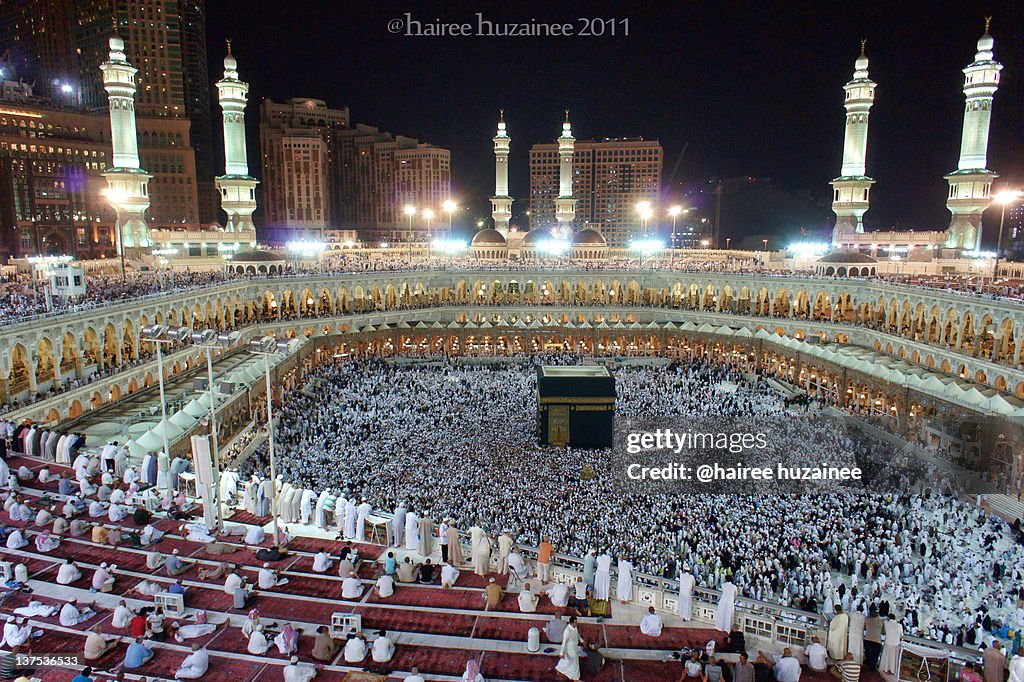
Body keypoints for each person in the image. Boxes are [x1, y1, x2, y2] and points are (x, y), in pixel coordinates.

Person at [555, 616, 582, 680]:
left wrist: (581, 640)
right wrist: (561, 652)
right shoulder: (567, 631)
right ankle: (576, 678)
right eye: (575, 622)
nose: (576, 623)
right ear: (571, 623)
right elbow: (564, 642)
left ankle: (559, 668)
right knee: (574, 663)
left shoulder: (575, 627)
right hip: (570, 648)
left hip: (574, 647)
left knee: (568, 661)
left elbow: (577, 634)